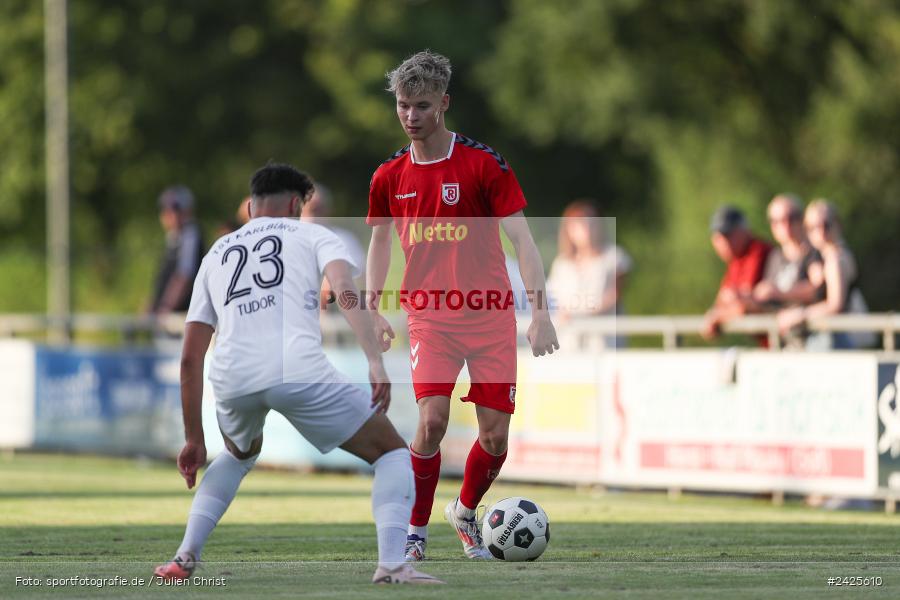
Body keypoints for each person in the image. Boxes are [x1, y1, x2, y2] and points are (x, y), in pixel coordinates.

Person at [153, 163, 441, 585]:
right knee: (393, 453)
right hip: (297, 369)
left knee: (236, 454)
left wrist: (194, 438)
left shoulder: (217, 252)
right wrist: (374, 360)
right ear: (296, 204)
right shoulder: (313, 233)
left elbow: (189, 359)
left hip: (232, 376)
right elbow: (344, 291)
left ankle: (184, 557)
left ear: (251, 206)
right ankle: (393, 564)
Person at [366, 50, 559, 562]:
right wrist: (372, 306)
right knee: (431, 421)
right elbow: (380, 244)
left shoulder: (482, 164)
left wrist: (540, 314)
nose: (411, 116)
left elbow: (524, 241)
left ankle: (466, 510)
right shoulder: (388, 176)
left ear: (444, 104)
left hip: (491, 315)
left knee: (495, 437)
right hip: (430, 316)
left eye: (422, 105)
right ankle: (415, 531)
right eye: (404, 106)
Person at [777, 199, 872, 349]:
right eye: (813, 227)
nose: (821, 232)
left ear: (838, 225)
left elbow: (835, 305)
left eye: (826, 225)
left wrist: (800, 315)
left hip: (836, 339)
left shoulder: (835, 258)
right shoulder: (824, 257)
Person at [547, 200, 632, 350]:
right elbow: (552, 298)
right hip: (569, 343)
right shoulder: (561, 264)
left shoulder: (614, 258)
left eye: (590, 222)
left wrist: (582, 314)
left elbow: (615, 295)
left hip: (604, 341)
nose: (586, 228)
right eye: (579, 224)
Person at [752, 194, 822, 347]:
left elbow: (818, 289)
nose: (785, 225)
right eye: (777, 221)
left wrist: (779, 293)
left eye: (791, 218)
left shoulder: (815, 251)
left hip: (815, 340)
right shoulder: (775, 256)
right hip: (786, 342)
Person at [701, 205, 771, 341]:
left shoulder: (758, 252)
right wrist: (716, 313)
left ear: (744, 231)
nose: (723, 242)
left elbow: (743, 307)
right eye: (718, 237)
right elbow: (721, 302)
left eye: (728, 235)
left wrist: (717, 317)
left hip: (784, 343)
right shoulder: (736, 260)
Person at [301, 183, 367, 310]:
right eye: (310, 209)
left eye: (319, 209)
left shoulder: (345, 240)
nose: (315, 215)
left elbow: (360, 281)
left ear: (328, 210)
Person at [149, 185, 204, 316]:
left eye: (174, 209)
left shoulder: (190, 235)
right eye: (165, 209)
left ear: (186, 211)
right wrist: (151, 306)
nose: (167, 214)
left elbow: (184, 276)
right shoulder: (174, 237)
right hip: (166, 314)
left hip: (178, 315)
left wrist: (166, 308)